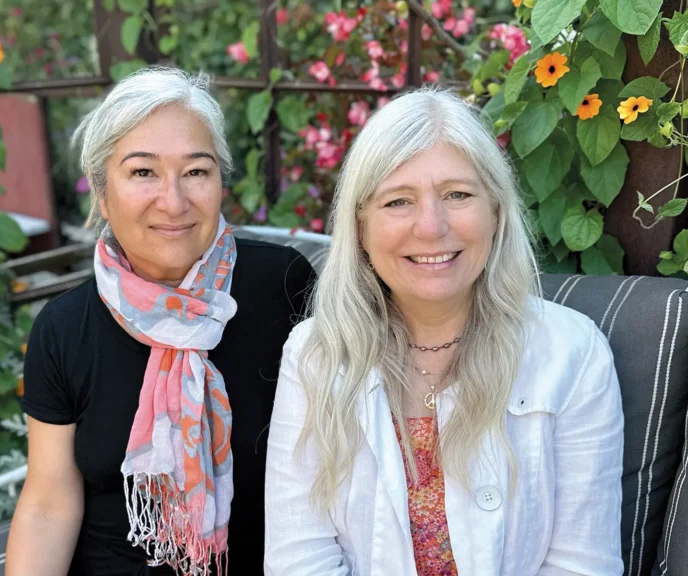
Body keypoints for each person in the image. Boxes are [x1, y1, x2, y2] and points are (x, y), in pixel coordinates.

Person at [264, 88, 624, 576]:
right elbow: (298, 560)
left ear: (496, 212)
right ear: (361, 228)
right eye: (398, 201)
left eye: (457, 194)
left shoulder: (572, 354)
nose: (431, 227)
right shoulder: (316, 354)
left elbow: (582, 565)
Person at [5, 67, 314, 576]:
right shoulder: (63, 330)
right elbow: (48, 503)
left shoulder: (282, 286)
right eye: (143, 172)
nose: (174, 202)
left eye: (196, 171)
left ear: (219, 183)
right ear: (103, 195)